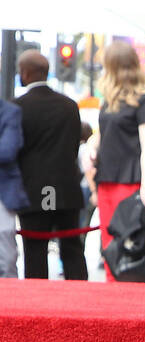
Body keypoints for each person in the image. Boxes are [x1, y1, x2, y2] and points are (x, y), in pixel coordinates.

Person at [13, 50, 87, 281]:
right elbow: (74, 147)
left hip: (34, 191)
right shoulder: (69, 106)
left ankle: (38, 308)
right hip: (66, 188)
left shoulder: (18, 107)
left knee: (35, 252)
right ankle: (81, 300)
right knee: (72, 249)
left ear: (24, 73)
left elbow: (14, 150)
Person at [95, 41, 145, 280]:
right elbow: (106, 135)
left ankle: (130, 308)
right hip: (108, 179)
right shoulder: (111, 100)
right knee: (111, 246)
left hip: (134, 181)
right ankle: (111, 303)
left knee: (132, 249)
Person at [0, 99, 22, 278]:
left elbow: (8, 150)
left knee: (6, 258)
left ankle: (10, 302)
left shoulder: (10, 112)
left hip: (3, 192)